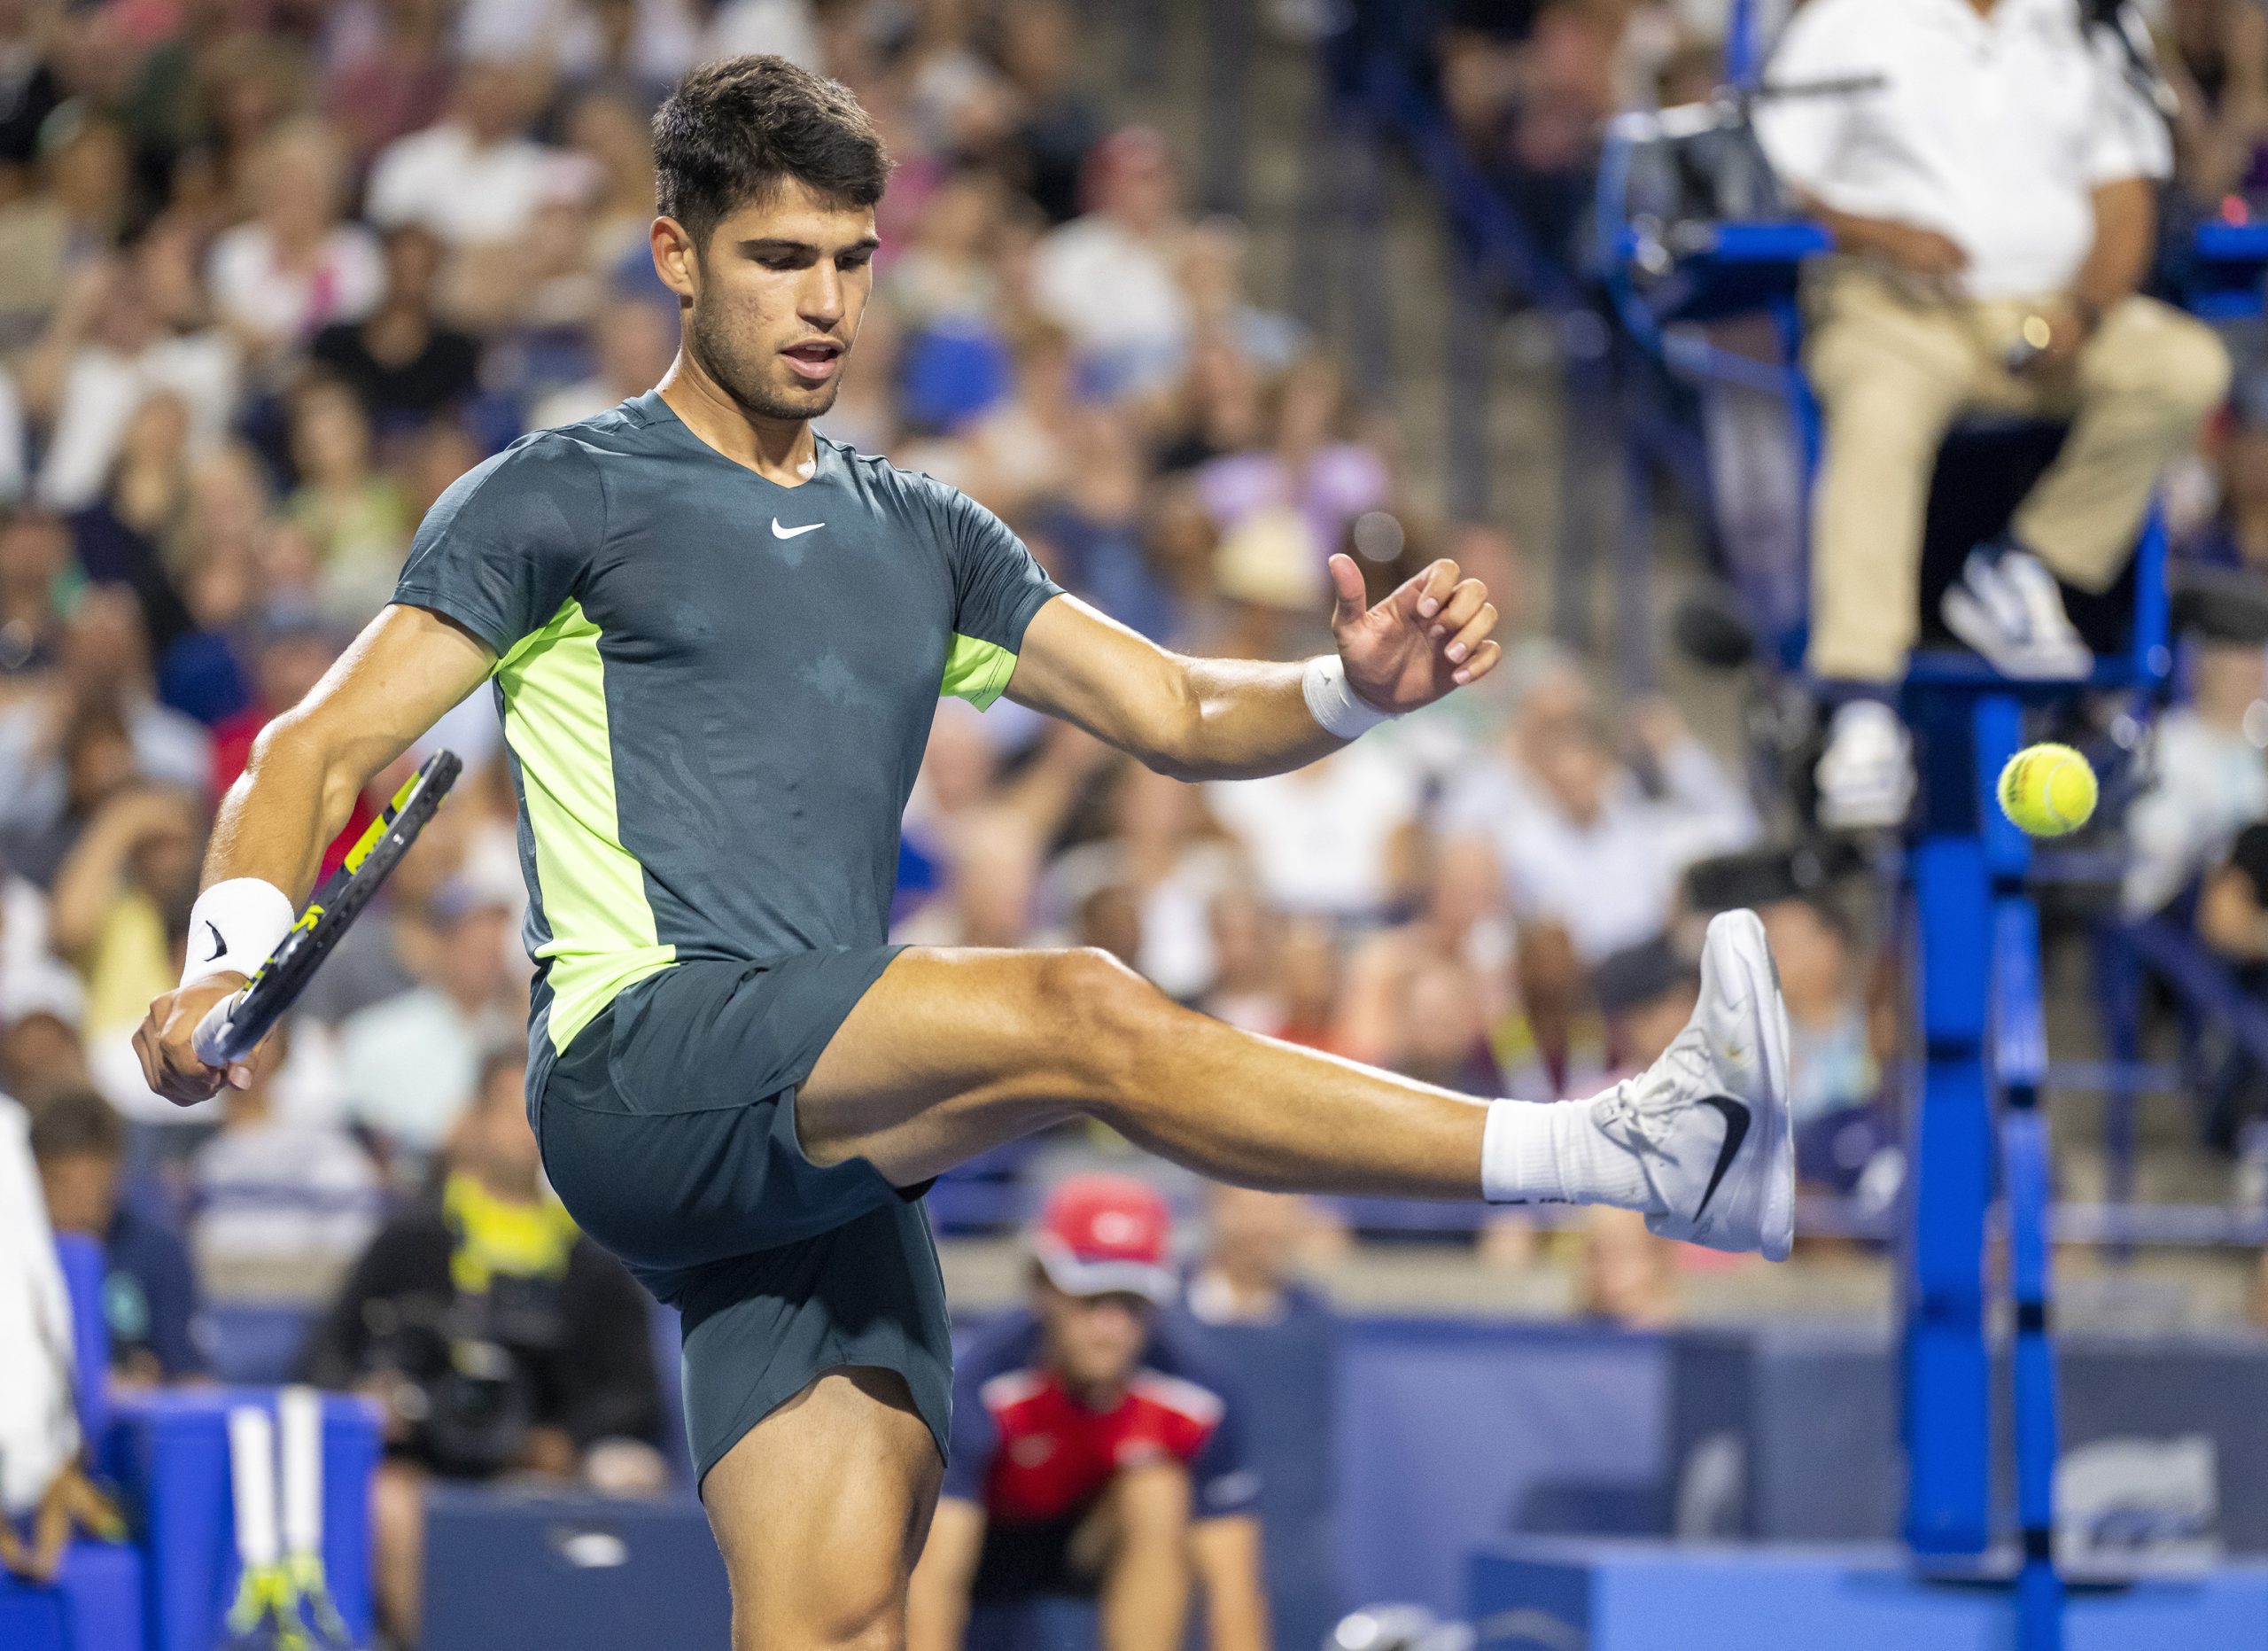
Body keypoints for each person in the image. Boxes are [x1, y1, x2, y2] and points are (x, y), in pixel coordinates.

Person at [133, 56, 1796, 1651]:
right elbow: (318, 747)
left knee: (835, 1621)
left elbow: (1173, 710)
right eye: (778, 260)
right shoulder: (556, 498)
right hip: (645, 1061)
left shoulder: (924, 530)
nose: (825, 304)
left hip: (824, 1143)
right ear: (675, 257)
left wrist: (1345, 691)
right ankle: (1628, 1154)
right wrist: (222, 949)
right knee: (1079, 1007)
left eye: (852, 261)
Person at [1754, 0, 2232, 828]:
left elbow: (2126, 202)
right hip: (1895, 307)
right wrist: (1880, 233)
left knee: (2183, 363)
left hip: (2048, 314)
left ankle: (2031, 566)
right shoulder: (1845, 19)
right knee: (1880, 406)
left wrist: (2082, 314)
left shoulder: (2087, 25)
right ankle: (1863, 701)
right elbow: (1768, 175)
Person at [299, 1048, 665, 1643]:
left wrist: (564, 1439)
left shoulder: (592, 1263)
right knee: (384, 1502)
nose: (525, 1127)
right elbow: (324, 1354)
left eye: (540, 1108)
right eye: (510, 1107)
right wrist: (371, 1399)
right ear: (471, 1118)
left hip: (542, 1463)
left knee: (631, 1477)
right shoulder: (410, 1241)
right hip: (423, 1460)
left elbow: (634, 1390)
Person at [908, 1175, 1268, 1651]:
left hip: (1092, 1546)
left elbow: (1234, 1587)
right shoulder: (980, 1385)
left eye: (1131, 1304)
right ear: (1042, 1288)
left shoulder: (1199, 1398)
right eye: (1091, 1299)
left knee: (1156, 1489)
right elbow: (935, 1578)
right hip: (985, 1546)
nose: (1110, 1328)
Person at [28, 1085, 204, 1386]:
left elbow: (192, 1380)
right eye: (61, 1185)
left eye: (95, 1183)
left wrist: (144, 1382)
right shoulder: (14, 1256)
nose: (78, 1203)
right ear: (33, 1178)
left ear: (117, 1172)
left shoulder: (157, 1250)